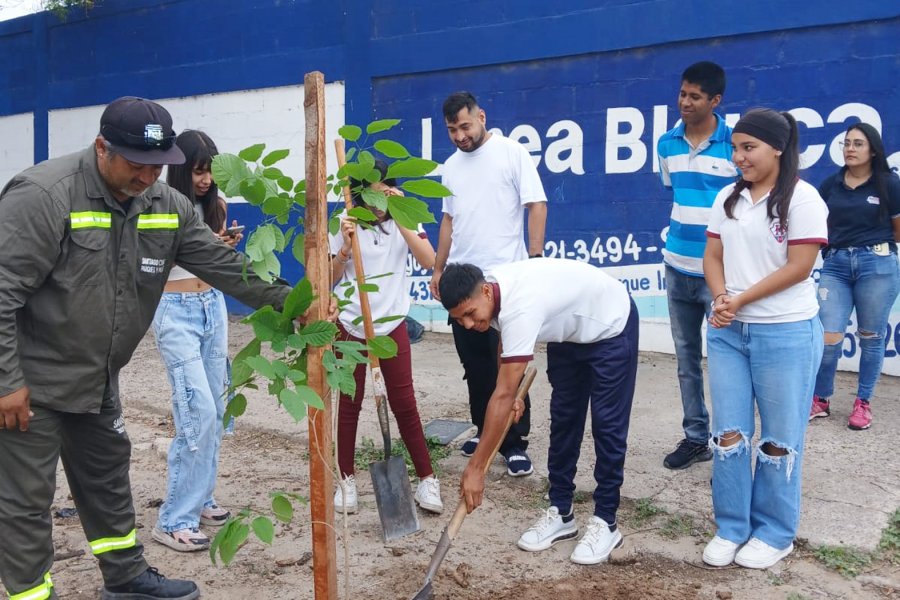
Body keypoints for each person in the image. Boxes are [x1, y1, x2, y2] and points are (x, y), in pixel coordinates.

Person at [0, 97, 299, 600]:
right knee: (27, 498)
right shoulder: (45, 196)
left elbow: (225, 269)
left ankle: (125, 578)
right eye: (136, 165)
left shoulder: (167, 207)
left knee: (108, 479)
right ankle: (31, 592)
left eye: (158, 167)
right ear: (102, 147)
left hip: (97, 377)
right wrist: (7, 383)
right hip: (32, 382)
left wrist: (299, 305)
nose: (147, 178)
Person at [438, 259, 639, 565]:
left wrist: (477, 469)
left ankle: (606, 521)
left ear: (486, 293)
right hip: (568, 335)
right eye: (459, 319)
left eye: (469, 314)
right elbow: (505, 340)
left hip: (610, 327)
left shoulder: (520, 304)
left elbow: (502, 393)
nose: (467, 324)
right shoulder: (493, 291)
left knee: (607, 427)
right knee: (563, 422)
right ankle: (562, 512)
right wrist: (511, 386)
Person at [702, 108, 828, 569]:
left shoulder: (804, 198)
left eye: (748, 147)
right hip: (728, 333)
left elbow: (799, 267)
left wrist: (740, 299)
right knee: (729, 435)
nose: (739, 157)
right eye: (735, 148)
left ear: (778, 147)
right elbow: (711, 255)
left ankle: (775, 532)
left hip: (787, 332)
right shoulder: (727, 199)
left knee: (779, 439)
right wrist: (721, 297)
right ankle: (732, 526)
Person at [429, 91, 548, 477]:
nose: (460, 135)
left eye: (465, 126)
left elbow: (537, 205)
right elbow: (448, 221)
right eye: (452, 130)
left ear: (481, 116)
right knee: (475, 368)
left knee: (508, 367)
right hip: (460, 283)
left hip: (502, 284)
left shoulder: (512, 153)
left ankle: (514, 444)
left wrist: (534, 261)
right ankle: (485, 431)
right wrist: (438, 269)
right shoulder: (450, 166)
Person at [330, 160, 443, 515]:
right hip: (350, 325)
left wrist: (402, 212)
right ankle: (345, 478)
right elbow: (328, 278)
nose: (378, 206)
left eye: (385, 194)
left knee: (404, 402)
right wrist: (346, 247)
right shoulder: (345, 221)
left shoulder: (403, 217)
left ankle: (427, 478)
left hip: (391, 325)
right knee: (349, 402)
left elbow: (428, 259)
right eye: (371, 196)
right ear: (359, 195)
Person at [149, 130, 244, 552]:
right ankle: (173, 520)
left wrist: (223, 248)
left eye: (210, 172)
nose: (205, 179)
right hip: (176, 311)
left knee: (218, 408)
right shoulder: (161, 207)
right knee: (197, 410)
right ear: (182, 170)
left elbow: (219, 266)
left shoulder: (216, 206)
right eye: (198, 171)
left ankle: (201, 496)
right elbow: (153, 263)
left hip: (211, 305)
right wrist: (201, 248)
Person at [656, 61, 738, 470]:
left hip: (719, 274)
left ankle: (728, 447)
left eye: (694, 96)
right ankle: (695, 438)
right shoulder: (666, 143)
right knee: (687, 361)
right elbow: (673, 192)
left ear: (715, 100)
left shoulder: (734, 145)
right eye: (682, 94)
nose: (684, 102)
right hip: (676, 267)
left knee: (726, 365)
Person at [809, 123, 900, 429]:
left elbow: (898, 232)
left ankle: (863, 403)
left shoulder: (889, 183)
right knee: (829, 336)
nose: (849, 148)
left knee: (871, 338)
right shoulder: (830, 185)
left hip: (877, 264)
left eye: (858, 143)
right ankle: (820, 399)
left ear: (872, 149)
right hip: (835, 265)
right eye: (846, 143)